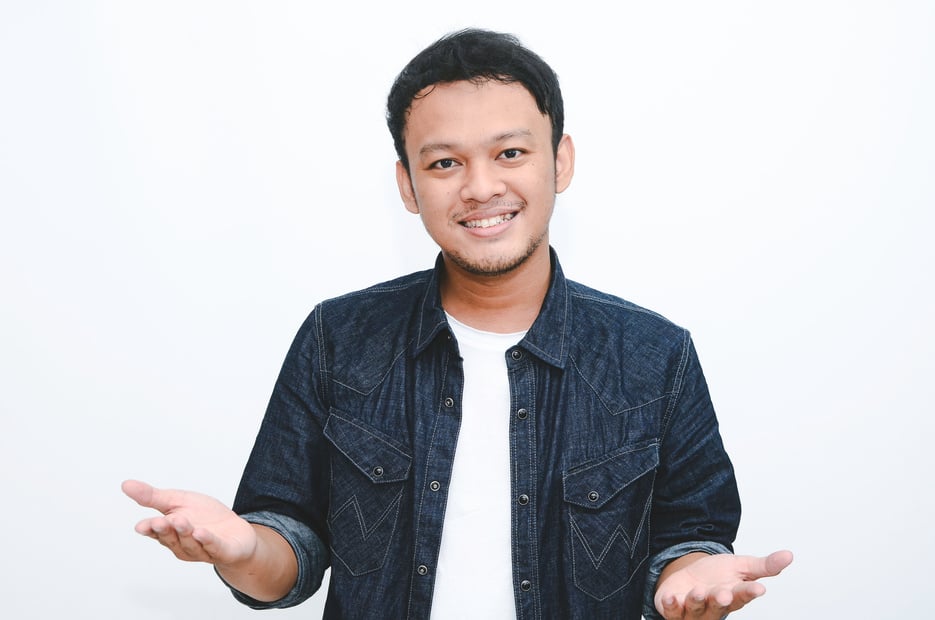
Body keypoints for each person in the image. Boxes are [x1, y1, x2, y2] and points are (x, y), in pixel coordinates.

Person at [123, 28, 792, 619]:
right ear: (408, 186)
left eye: (509, 153)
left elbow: (685, 543)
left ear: (559, 160)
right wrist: (240, 551)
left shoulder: (654, 355)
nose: (478, 187)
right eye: (444, 163)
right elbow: (285, 560)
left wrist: (688, 576)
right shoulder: (339, 338)